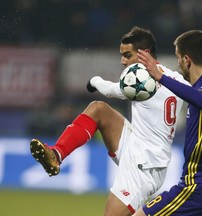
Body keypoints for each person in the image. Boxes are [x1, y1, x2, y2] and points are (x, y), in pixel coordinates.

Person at [30, 26, 189, 216]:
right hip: (136, 145)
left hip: (144, 167)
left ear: (144, 54)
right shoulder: (176, 79)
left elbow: (110, 89)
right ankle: (57, 154)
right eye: (122, 55)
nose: (123, 61)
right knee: (99, 109)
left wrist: (94, 81)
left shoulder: (140, 81)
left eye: (127, 55)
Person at [134, 30, 202, 216]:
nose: (178, 64)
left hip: (198, 186)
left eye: (178, 58)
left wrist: (160, 77)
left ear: (187, 60)